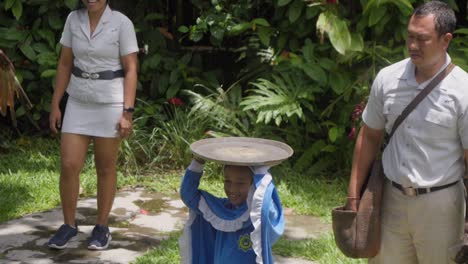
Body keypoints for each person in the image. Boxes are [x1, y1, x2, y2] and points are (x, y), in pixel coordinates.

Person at [345, 1, 468, 263]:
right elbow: (369, 136)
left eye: (422, 39)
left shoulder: (463, 91)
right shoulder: (388, 78)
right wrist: (353, 194)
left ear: (445, 40)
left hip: (441, 206)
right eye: (409, 36)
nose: (412, 45)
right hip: (389, 201)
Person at [47, 0, 138, 250]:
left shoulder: (121, 23)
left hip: (110, 103)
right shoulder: (72, 20)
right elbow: (65, 63)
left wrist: (127, 112)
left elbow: (131, 69)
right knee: (68, 165)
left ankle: (101, 227)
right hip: (78, 101)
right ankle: (68, 225)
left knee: (105, 167)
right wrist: (56, 104)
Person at [179, 157, 284, 264]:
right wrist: (198, 162)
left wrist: (260, 172)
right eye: (228, 181)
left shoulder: (258, 213)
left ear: (253, 184)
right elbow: (189, 195)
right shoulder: (220, 210)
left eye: (240, 183)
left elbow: (267, 206)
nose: (232, 189)